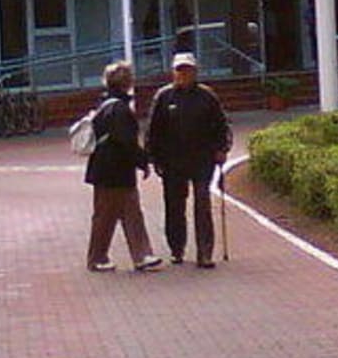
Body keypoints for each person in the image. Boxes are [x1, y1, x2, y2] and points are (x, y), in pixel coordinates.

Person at [145, 51, 231, 268]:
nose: (183, 74)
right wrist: (154, 158)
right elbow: (153, 130)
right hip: (172, 161)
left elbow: (222, 125)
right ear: (173, 72)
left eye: (188, 70)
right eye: (179, 70)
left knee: (202, 204)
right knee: (174, 206)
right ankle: (177, 249)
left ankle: (205, 252)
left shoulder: (207, 96)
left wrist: (222, 148)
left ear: (195, 72)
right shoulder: (164, 97)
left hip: (202, 159)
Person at [84, 62, 164, 273]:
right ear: (126, 83)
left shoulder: (104, 105)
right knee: (116, 214)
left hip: (103, 168)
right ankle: (127, 256)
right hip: (116, 169)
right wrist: (143, 161)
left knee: (112, 214)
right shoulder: (120, 109)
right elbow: (126, 141)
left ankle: (131, 256)